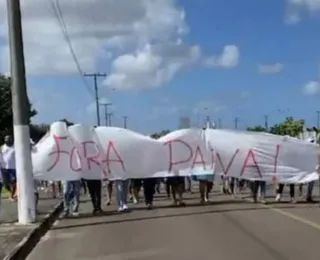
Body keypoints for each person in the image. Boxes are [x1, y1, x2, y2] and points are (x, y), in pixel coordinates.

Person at [0, 135, 16, 201]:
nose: (7, 140)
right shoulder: (2, 147)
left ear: (11, 139)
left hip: (13, 168)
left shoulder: (15, 147)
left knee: (13, 182)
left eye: (9, 138)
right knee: (6, 184)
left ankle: (11, 196)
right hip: (4, 168)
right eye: (6, 139)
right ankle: (11, 193)